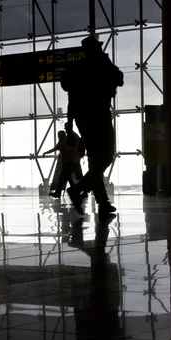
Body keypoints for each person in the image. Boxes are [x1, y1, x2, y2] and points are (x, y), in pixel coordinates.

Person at [61, 34, 122, 217]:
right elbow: (119, 78)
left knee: (98, 159)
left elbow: (71, 99)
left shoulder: (77, 69)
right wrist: (106, 62)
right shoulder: (101, 65)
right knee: (105, 157)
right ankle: (89, 194)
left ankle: (98, 199)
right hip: (99, 116)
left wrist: (71, 125)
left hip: (84, 119)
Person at [43, 128, 84, 198]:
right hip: (72, 163)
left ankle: (59, 192)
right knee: (69, 178)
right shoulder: (69, 142)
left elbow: (53, 149)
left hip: (67, 164)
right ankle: (78, 191)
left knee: (64, 178)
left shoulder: (61, 143)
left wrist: (45, 153)